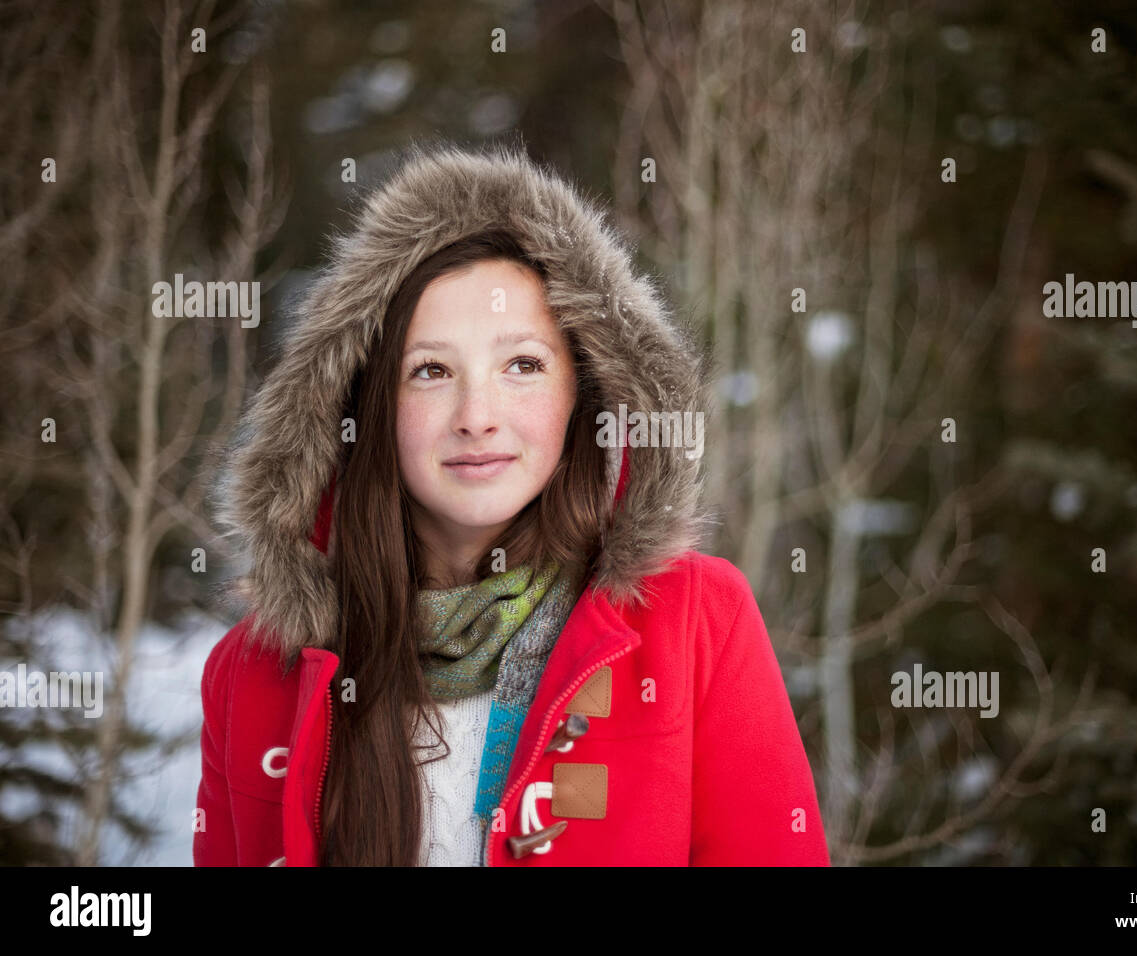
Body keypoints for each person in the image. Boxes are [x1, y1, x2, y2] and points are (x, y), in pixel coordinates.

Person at [193, 143, 829, 866]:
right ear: (364, 408)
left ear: (582, 396)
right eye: (430, 371)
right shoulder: (252, 675)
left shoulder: (694, 622)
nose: (477, 415)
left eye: (522, 365)